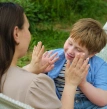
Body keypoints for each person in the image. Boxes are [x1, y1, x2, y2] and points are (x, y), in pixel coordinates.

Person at [0, 2, 89, 109]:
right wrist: (71, 84)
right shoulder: (35, 85)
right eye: (28, 28)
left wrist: (29, 70)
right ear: (16, 34)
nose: (29, 34)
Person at [47, 18, 107, 109]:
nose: (70, 51)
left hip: (87, 105)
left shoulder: (100, 66)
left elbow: (103, 99)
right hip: (57, 102)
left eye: (78, 49)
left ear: (91, 54)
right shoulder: (54, 56)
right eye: (70, 43)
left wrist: (83, 83)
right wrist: (39, 68)